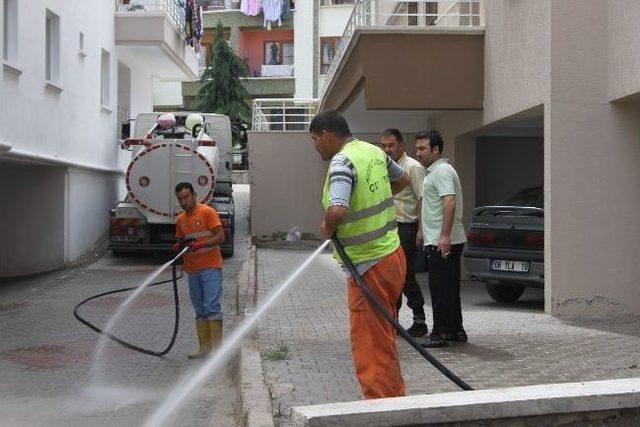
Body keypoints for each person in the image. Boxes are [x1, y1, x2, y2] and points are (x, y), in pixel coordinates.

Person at [310, 110, 411, 399]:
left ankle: (381, 408)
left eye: (315, 139)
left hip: (370, 266)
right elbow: (403, 180)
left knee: (370, 342)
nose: (315, 145)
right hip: (392, 256)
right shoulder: (373, 151)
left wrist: (328, 226)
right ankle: (394, 399)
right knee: (384, 336)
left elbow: (338, 209)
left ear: (328, 135)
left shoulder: (342, 161)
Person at [414, 130, 467, 348]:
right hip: (440, 239)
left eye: (422, 149)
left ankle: (440, 333)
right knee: (448, 287)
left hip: (443, 241)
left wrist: (443, 235)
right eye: (417, 149)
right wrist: (421, 230)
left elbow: (449, 202)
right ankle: (455, 330)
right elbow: (431, 205)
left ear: (436, 149)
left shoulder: (442, 171)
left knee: (440, 288)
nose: (418, 153)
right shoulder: (434, 171)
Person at [380, 128, 428, 338]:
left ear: (401, 145)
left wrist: (420, 230)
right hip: (391, 227)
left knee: (405, 276)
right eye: (384, 146)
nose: (387, 149)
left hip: (407, 228)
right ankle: (394, 321)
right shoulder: (385, 167)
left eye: (391, 145)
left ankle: (419, 321)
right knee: (392, 276)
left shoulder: (413, 167)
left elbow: (422, 199)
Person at [174, 182, 226, 359]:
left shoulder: (207, 212)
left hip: (210, 267)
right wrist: (178, 245)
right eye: (180, 198)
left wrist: (201, 244)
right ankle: (204, 349)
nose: (184, 201)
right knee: (200, 310)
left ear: (194, 195)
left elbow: (220, 237)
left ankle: (217, 351)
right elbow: (182, 241)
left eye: (186, 197)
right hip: (193, 271)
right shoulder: (181, 220)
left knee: (211, 307)